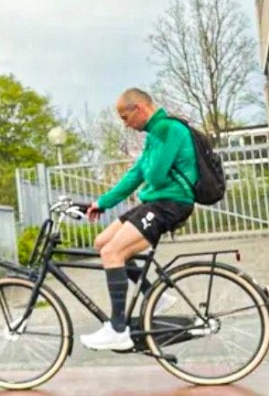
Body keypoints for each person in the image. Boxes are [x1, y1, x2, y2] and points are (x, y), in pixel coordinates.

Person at [79, 88, 197, 352]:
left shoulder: (166, 129)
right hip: (156, 202)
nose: (125, 124)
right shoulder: (155, 134)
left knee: (112, 253)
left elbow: (154, 175)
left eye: (125, 117)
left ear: (140, 108)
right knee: (103, 242)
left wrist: (147, 164)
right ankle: (154, 295)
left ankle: (118, 330)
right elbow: (136, 174)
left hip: (171, 204)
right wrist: (103, 202)